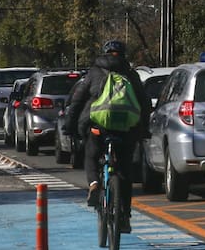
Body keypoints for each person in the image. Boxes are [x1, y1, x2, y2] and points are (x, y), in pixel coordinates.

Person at [64, 40, 151, 234]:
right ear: (122, 55)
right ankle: (125, 216)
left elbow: (77, 100)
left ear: (105, 53)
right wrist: (144, 129)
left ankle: (94, 184)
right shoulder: (131, 74)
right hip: (126, 129)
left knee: (91, 155)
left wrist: (70, 126)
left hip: (98, 127)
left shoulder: (94, 72)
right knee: (125, 171)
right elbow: (144, 104)